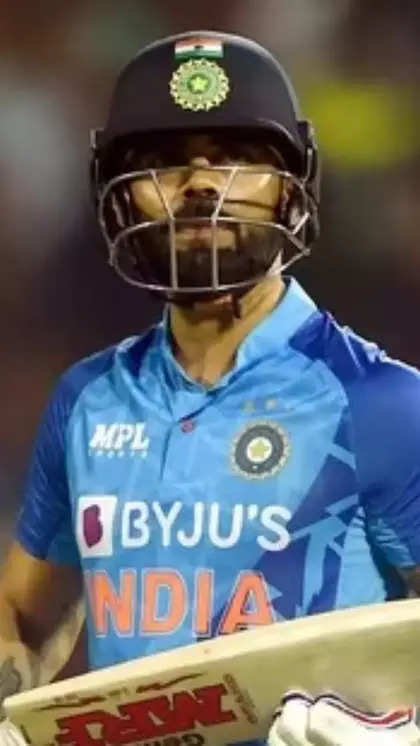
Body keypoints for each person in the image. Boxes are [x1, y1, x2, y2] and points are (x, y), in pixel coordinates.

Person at [1, 30, 420, 746]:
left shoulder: (382, 404)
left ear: (291, 186)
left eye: (236, 156)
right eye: (164, 161)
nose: (200, 185)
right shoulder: (88, 399)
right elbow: (25, 617)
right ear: (118, 195)